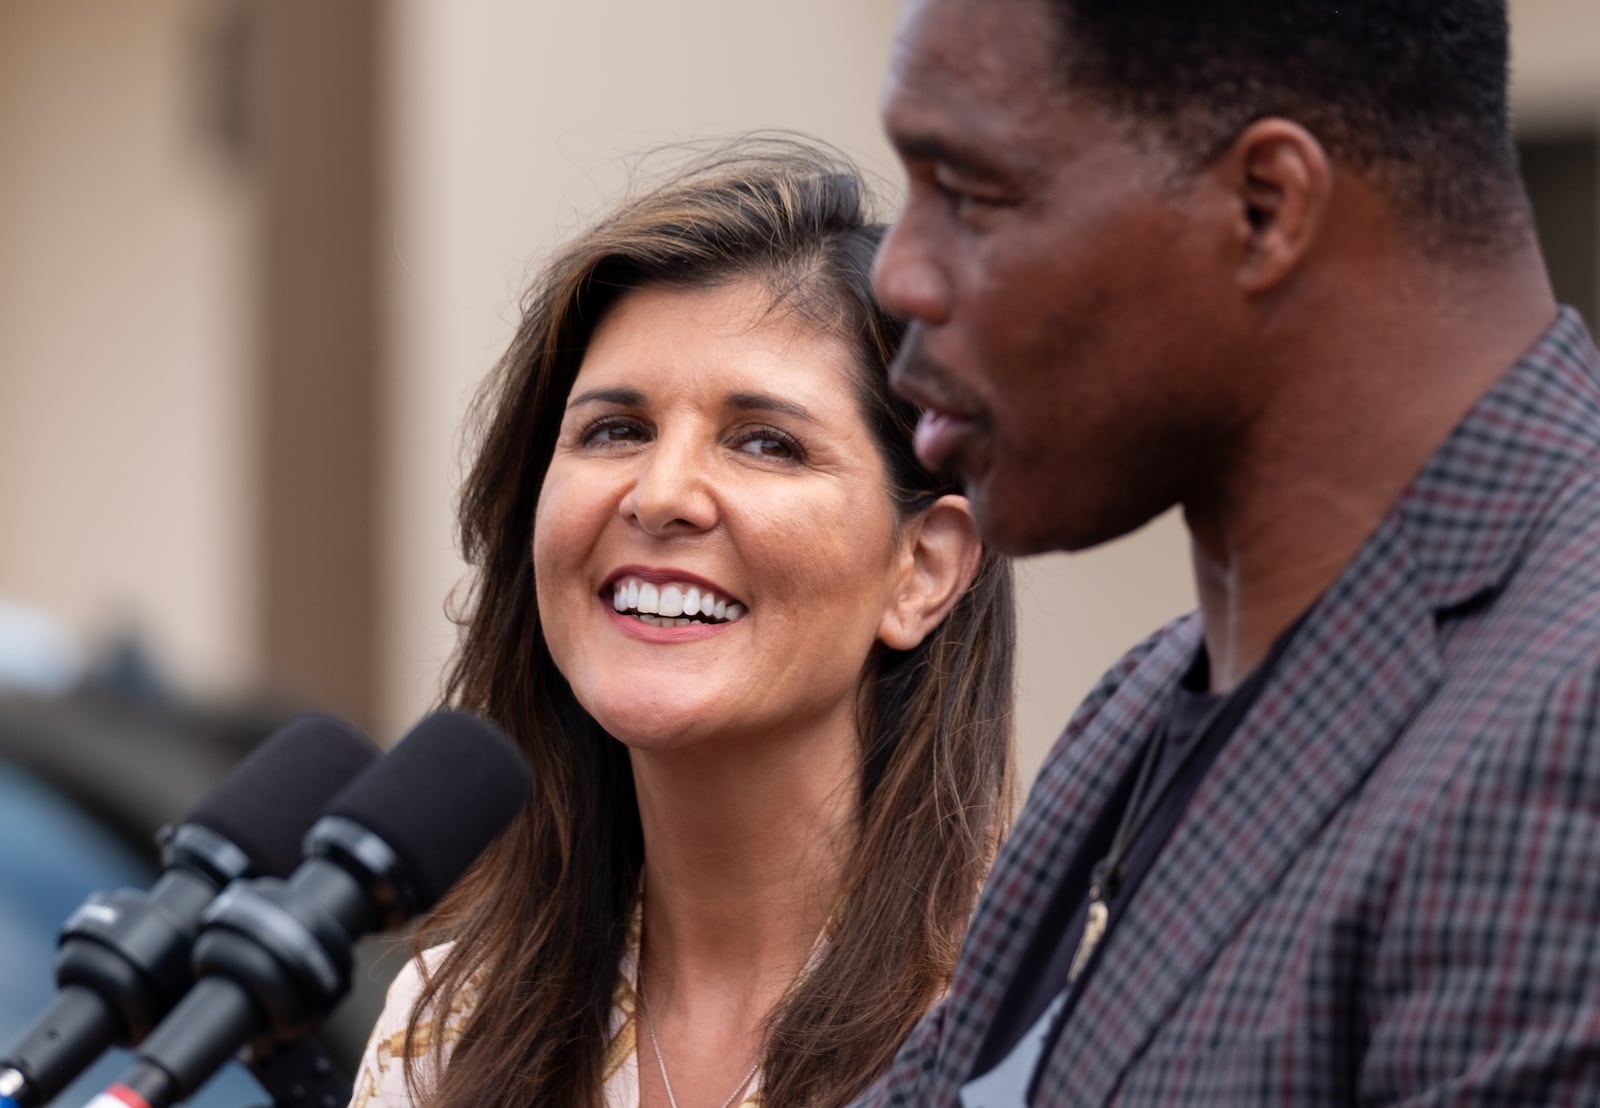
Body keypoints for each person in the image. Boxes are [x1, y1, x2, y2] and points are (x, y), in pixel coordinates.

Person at [856, 0, 1600, 1104]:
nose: (898, 275)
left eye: (968, 191)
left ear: (1264, 207)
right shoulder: (1140, 709)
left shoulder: (1564, 726)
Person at [349, 138, 1016, 1108]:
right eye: (615, 430)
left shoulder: (1037, 1026)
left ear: (922, 569)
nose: (661, 495)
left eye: (764, 442)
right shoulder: (445, 1026)